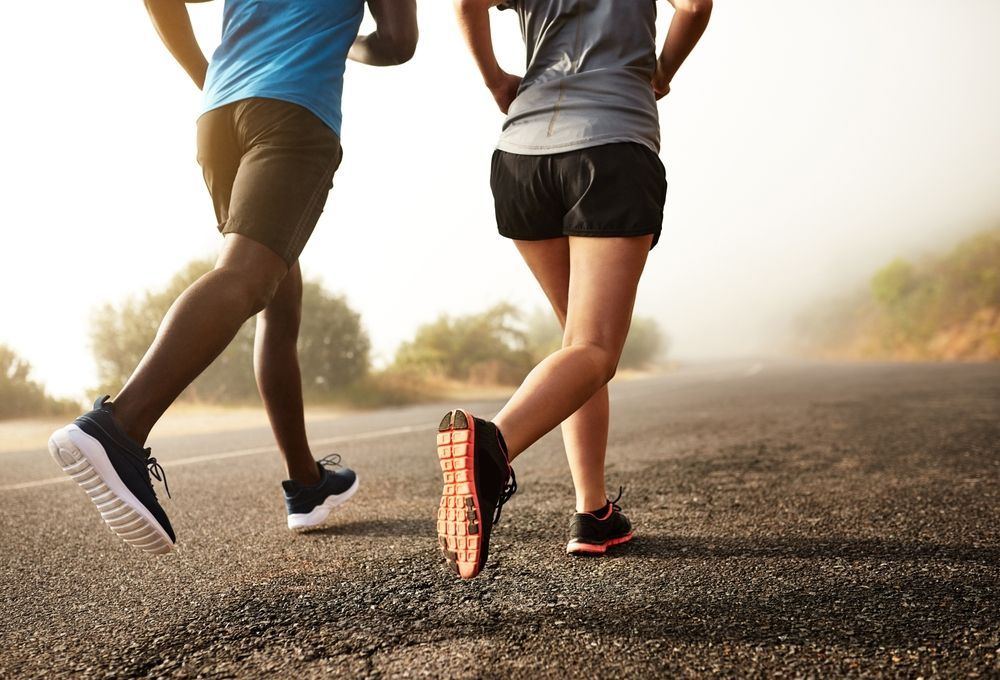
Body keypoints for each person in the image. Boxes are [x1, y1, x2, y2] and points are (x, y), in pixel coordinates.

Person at [46, 0, 418, 554]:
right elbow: (397, 42)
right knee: (246, 277)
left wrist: (208, 75)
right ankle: (119, 427)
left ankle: (308, 484)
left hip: (220, 115)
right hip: (293, 110)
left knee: (278, 297)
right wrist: (347, 41)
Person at [438, 0, 712, 578]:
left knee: (577, 346)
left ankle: (592, 512)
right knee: (593, 349)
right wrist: (663, 69)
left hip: (522, 156)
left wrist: (496, 80)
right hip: (610, 144)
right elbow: (695, 5)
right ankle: (492, 448)